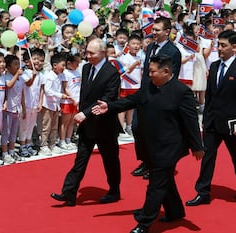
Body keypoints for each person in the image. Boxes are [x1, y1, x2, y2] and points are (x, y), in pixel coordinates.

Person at [92, 54, 204, 233]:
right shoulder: (148, 86)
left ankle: (144, 223)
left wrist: (197, 146)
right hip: (149, 144)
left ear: (166, 71)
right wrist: (109, 107)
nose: (149, 74)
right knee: (165, 180)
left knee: (156, 184)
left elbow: (191, 121)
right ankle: (175, 211)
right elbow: (131, 101)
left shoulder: (181, 92)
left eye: (152, 71)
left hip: (168, 147)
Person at [50, 38, 122, 206]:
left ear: (103, 53)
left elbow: (107, 99)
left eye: (92, 53)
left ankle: (114, 190)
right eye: (87, 52)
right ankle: (69, 192)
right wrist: (81, 112)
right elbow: (85, 95)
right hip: (87, 123)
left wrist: (86, 113)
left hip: (105, 124)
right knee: (81, 158)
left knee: (110, 159)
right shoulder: (87, 68)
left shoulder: (111, 73)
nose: (88, 56)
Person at [186, 30, 236, 206]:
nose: (219, 48)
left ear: (235, 46)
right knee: (207, 155)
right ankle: (203, 192)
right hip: (212, 122)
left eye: (223, 45)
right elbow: (210, 95)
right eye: (218, 45)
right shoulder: (215, 66)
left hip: (232, 124)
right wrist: (205, 117)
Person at [131, 16, 182, 179]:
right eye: (153, 29)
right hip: (145, 93)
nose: (153, 32)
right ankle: (145, 160)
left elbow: (172, 77)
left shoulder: (173, 51)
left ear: (167, 32)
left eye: (157, 30)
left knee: (155, 132)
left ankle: (155, 165)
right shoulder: (151, 47)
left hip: (160, 96)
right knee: (137, 127)